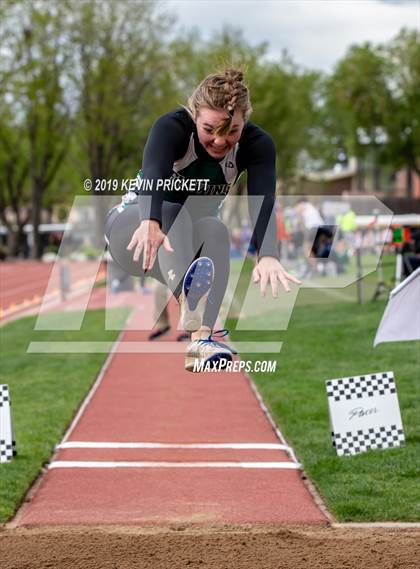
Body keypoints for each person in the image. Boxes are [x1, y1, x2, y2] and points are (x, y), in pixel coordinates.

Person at [105, 68, 300, 371]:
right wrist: (150, 220)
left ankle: (202, 339)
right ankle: (198, 322)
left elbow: (262, 200)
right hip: (133, 230)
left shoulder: (258, 144)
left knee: (215, 229)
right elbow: (154, 173)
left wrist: (268, 254)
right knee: (174, 213)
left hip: (184, 242)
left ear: (244, 122)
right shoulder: (171, 127)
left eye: (231, 131)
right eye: (209, 129)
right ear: (194, 115)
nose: (220, 142)